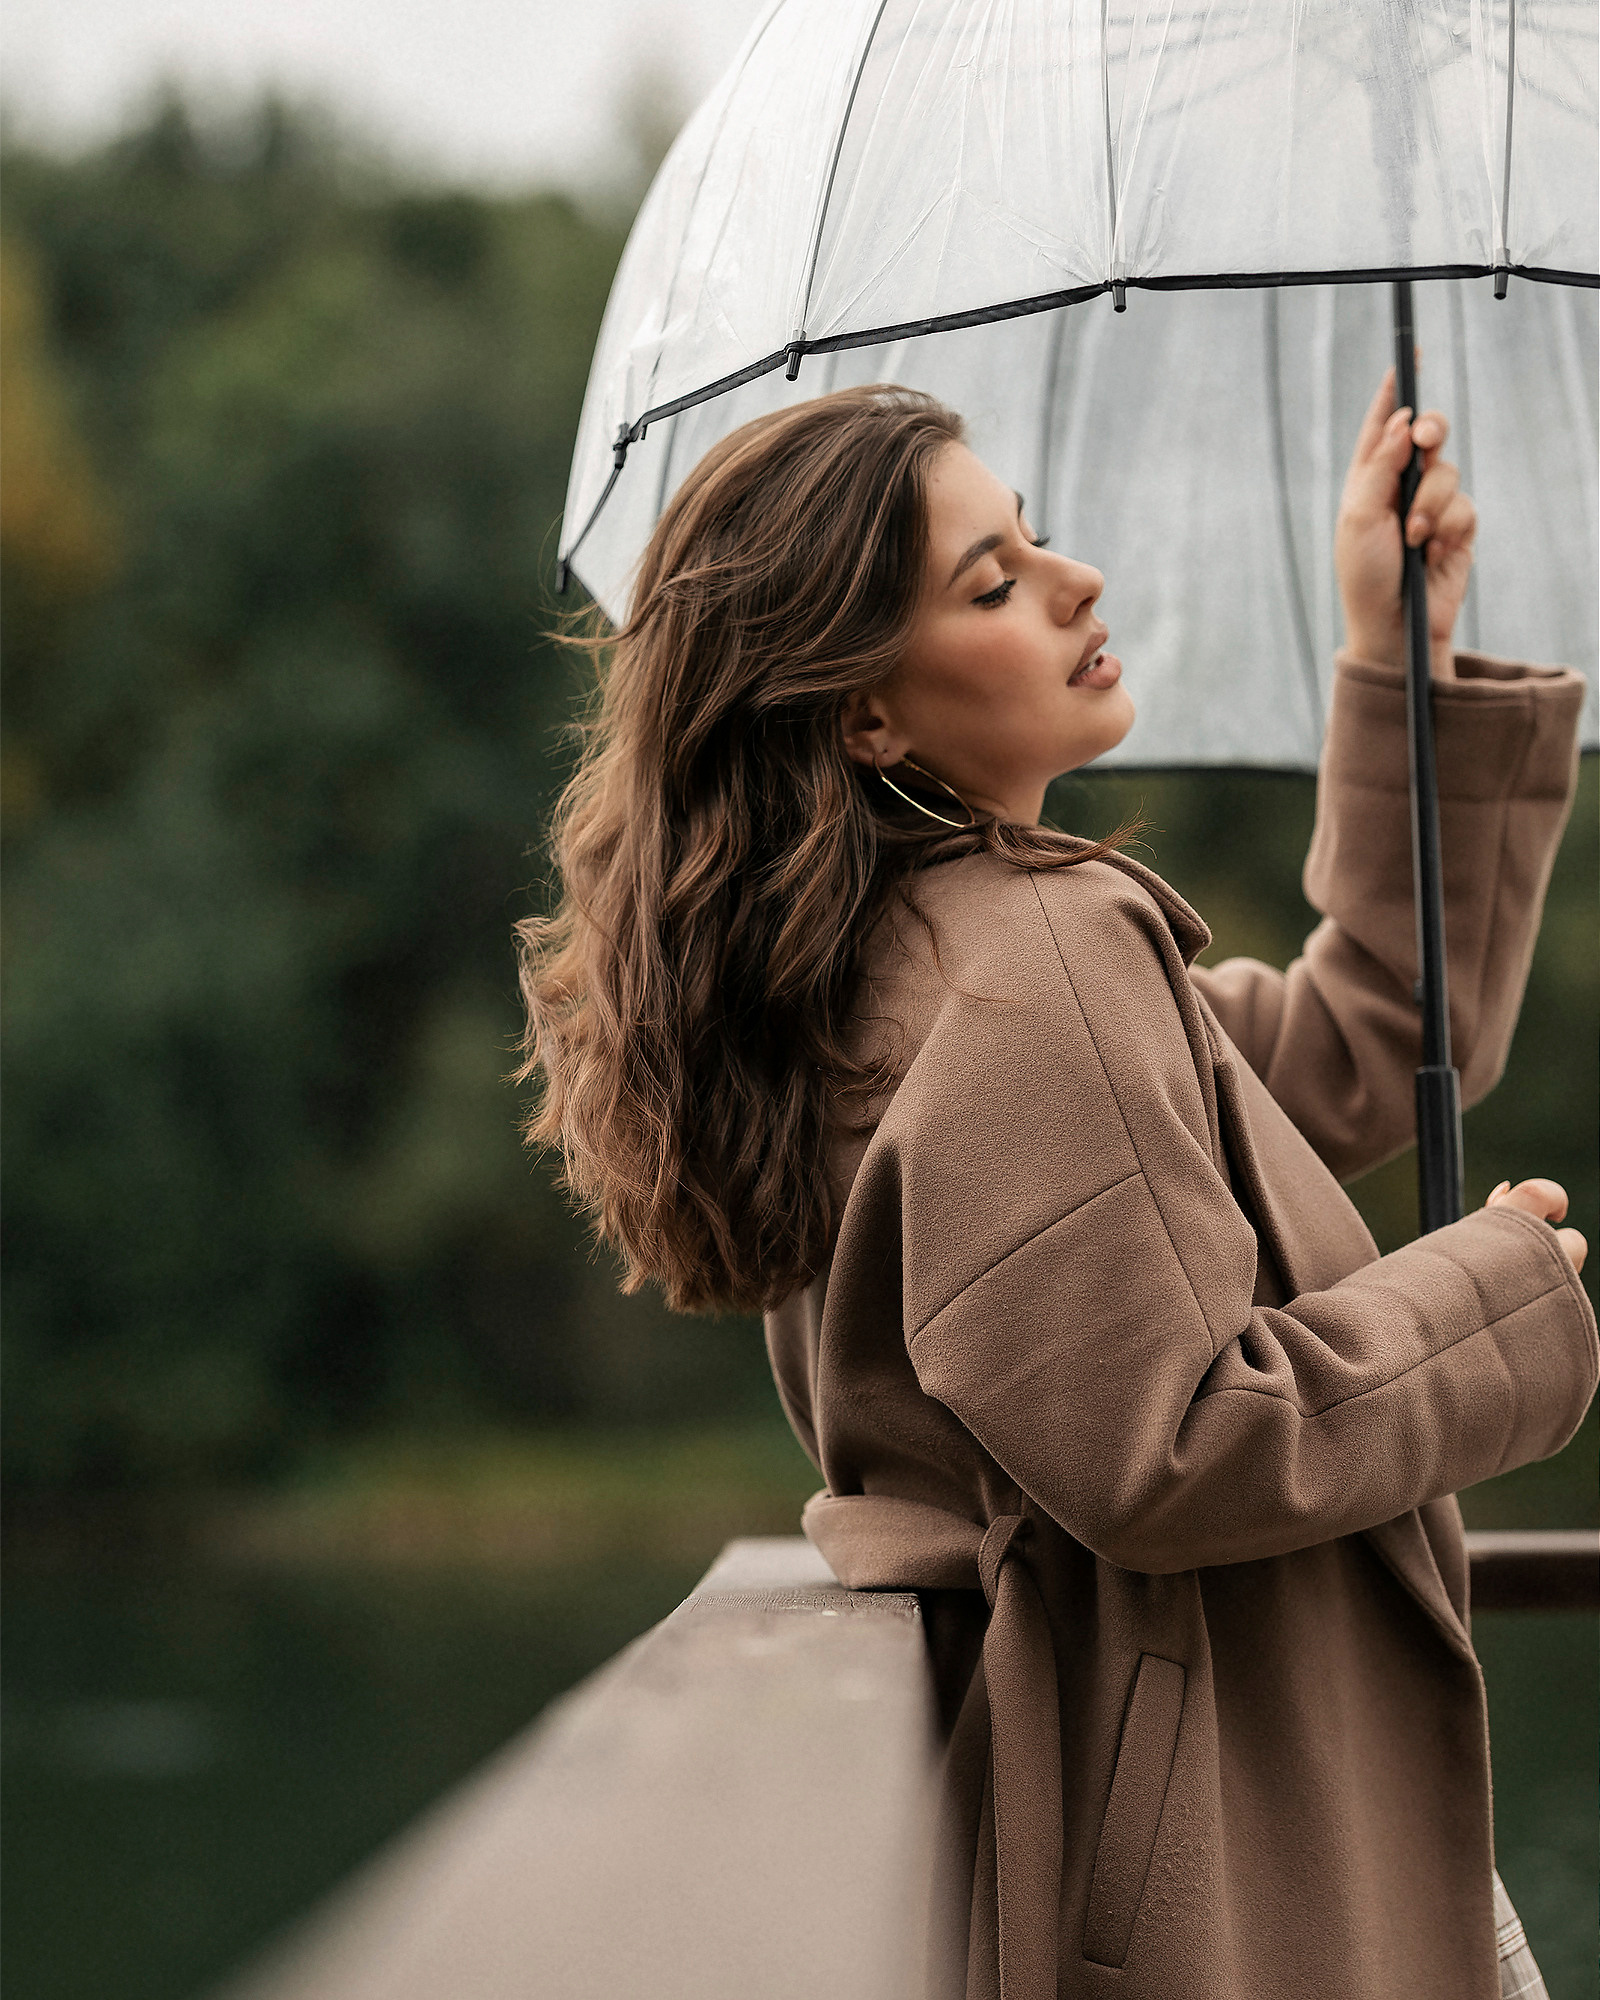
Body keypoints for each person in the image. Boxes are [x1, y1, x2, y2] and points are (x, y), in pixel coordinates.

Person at [518, 378, 1596, 2000]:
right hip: (1215, 1846)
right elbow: (1178, 1441)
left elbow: (1361, 1041)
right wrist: (1500, 1290)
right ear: (866, 715)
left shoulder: (890, 965)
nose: (1073, 582)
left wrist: (1397, 658)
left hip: (1117, 1813)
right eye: (992, 583)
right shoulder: (1037, 961)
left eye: (1036, 541)